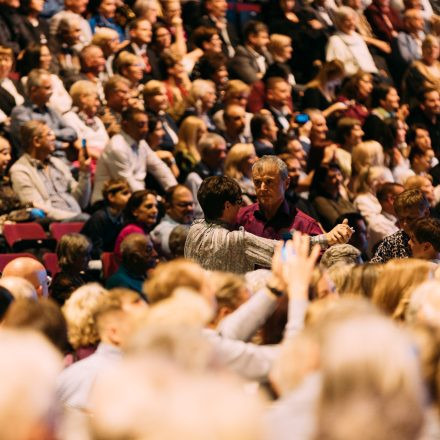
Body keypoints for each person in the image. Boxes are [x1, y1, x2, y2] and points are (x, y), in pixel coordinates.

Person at [57, 287, 147, 410]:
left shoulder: (153, 372)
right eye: (142, 324)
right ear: (114, 333)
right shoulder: (86, 379)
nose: (151, 330)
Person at [237, 156, 352, 244]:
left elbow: (321, 260)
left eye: (269, 182)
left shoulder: (306, 225)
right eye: (257, 182)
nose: (262, 188)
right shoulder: (239, 217)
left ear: (286, 183)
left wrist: (334, 241)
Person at [92, 107, 177, 205]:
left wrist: (175, 193)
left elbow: (159, 168)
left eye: (146, 124)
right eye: (141, 125)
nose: (146, 129)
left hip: (134, 198)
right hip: (107, 203)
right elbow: (128, 183)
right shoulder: (117, 147)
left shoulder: (141, 143)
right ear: (126, 125)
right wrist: (156, 200)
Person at [10, 120, 91, 222]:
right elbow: (39, 209)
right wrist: (72, 217)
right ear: (36, 142)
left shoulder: (57, 163)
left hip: (78, 217)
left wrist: (85, 172)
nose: (54, 137)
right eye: (49, 134)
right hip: (54, 223)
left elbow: (82, 202)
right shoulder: (20, 171)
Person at [10, 68, 78, 157]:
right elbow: (31, 142)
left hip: (59, 159)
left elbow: (72, 132)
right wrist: (60, 145)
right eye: (47, 88)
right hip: (35, 162)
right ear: (34, 90)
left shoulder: (51, 110)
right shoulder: (21, 112)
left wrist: (53, 133)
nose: (51, 92)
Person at [371, 189, 430, 263]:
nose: (405, 223)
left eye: (410, 218)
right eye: (401, 219)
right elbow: (374, 270)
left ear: (426, 213)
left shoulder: (437, 236)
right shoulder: (391, 243)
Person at [81, 178, 132, 258]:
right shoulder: (99, 218)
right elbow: (95, 249)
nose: (130, 197)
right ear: (111, 197)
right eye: (125, 193)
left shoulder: (123, 217)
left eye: (130, 193)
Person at [150, 185, 195, 257]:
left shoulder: (191, 223)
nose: (189, 208)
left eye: (191, 204)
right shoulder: (163, 231)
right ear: (168, 207)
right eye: (183, 205)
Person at [113, 189, 158, 259]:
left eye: (156, 206)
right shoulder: (133, 231)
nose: (155, 210)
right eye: (149, 206)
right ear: (134, 211)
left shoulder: (141, 228)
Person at [228, 21, 273, 85]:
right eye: (264, 37)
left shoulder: (266, 54)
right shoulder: (241, 55)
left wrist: (262, 75)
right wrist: (265, 76)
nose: (268, 41)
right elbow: (253, 81)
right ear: (252, 38)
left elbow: (275, 77)